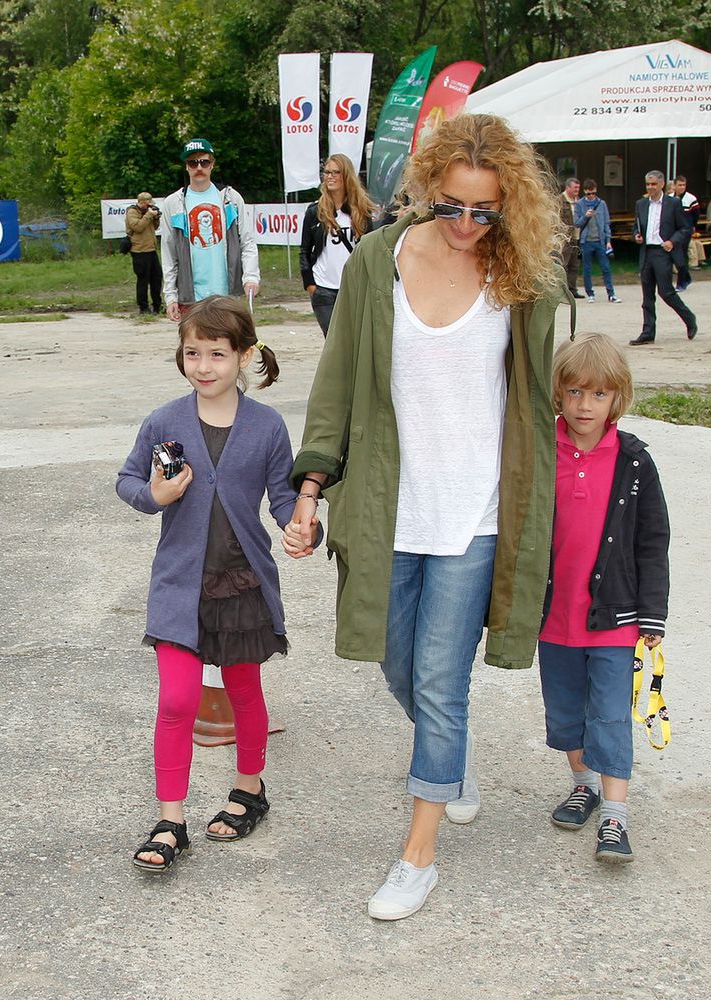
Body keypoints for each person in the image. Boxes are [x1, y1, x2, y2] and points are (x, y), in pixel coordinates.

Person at [282, 112, 566, 921]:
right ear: (426, 189)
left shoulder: (520, 278)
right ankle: (451, 762)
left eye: (488, 212)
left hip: (475, 513)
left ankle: (419, 853)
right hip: (386, 509)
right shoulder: (379, 260)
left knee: (441, 685)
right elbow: (337, 387)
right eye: (453, 207)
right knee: (395, 664)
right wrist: (310, 488)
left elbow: (537, 398)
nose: (469, 226)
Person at [116, 296, 307, 873]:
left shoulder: (268, 426)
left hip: (242, 581)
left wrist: (301, 524)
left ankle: (250, 789)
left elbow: (281, 498)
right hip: (180, 583)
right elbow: (127, 480)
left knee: (243, 690)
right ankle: (171, 819)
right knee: (177, 699)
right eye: (192, 352)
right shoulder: (166, 421)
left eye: (217, 354)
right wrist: (157, 496)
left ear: (245, 357)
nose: (203, 365)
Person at [539, 333, 669, 865]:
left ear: (618, 397)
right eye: (573, 393)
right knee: (566, 711)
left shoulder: (634, 462)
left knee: (610, 715)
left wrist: (653, 614)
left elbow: (652, 540)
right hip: (553, 619)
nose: (584, 406)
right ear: (558, 395)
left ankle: (615, 818)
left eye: (598, 395)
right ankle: (583, 782)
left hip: (614, 617)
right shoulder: (541, 451)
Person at [161, 138, 260, 321]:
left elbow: (247, 241)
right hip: (191, 297)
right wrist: (170, 296)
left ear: (212, 165)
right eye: (193, 162)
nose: (199, 167)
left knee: (226, 346)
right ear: (187, 167)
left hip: (227, 295)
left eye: (204, 162)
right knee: (195, 347)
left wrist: (251, 277)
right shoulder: (173, 203)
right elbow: (169, 253)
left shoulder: (230, 198)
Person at [299, 153, 377, 335]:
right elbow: (304, 250)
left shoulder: (360, 212)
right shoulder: (315, 211)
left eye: (335, 172)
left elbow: (371, 250)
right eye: (327, 172)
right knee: (333, 342)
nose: (330, 177)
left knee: (353, 339)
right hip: (323, 288)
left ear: (346, 175)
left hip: (353, 287)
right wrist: (310, 284)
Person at [630, 170, 697, 346]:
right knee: (647, 296)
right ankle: (648, 331)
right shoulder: (641, 204)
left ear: (661, 184)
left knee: (666, 292)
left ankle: (689, 318)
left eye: (653, 184)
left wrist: (672, 241)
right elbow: (636, 226)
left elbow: (685, 228)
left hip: (662, 251)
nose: (650, 187)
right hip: (647, 251)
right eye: (648, 184)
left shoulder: (673, 203)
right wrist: (637, 235)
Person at [574, 179, 617, 303]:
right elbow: (577, 223)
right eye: (588, 194)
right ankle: (590, 293)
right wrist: (586, 215)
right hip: (586, 241)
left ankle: (611, 293)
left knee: (606, 268)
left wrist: (608, 240)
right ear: (585, 192)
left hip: (600, 241)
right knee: (587, 269)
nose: (591, 196)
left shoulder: (601, 204)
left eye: (593, 193)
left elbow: (606, 223)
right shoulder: (579, 204)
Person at [126, 192, 163, 314]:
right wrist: (148, 215)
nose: (149, 207)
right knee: (143, 280)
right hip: (139, 251)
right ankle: (143, 307)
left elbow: (155, 227)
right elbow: (138, 227)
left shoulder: (148, 212)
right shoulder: (132, 212)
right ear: (141, 202)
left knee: (156, 278)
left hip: (151, 250)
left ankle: (157, 305)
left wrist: (156, 217)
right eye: (147, 205)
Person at [671, 176, 700, 291]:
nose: (682, 187)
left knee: (682, 255)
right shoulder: (670, 198)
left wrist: (692, 226)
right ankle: (686, 277)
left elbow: (696, 214)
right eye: (679, 185)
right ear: (674, 186)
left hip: (686, 230)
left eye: (684, 185)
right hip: (673, 231)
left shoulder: (691, 199)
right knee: (674, 255)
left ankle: (681, 282)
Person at [560, 176, 584, 299]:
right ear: (567, 187)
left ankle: (572, 290)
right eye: (575, 187)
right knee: (563, 264)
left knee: (574, 265)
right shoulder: (560, 200)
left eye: (578, 188)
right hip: (565, 238)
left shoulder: (579, 201)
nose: (577, 190)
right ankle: (562, 291)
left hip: (577, 237)